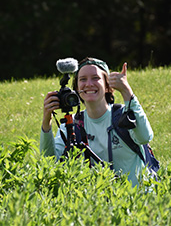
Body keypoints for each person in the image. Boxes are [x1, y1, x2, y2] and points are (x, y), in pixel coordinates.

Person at [40, 57, 153, 187]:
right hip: (99, 204)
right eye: (83, 79)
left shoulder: (124, 116)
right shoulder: (73, 125)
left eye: (95, 78)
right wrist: (46, 121)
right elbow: (49, 161)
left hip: (138, 200)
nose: (89, 84)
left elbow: (145, 137)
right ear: (76, 88)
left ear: (107, 86)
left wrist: (127, 92)